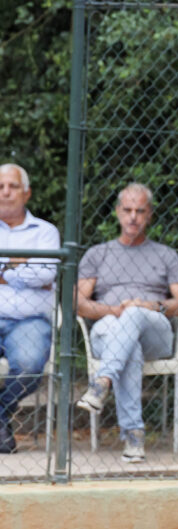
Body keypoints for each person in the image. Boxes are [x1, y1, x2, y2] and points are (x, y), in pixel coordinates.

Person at [76, 182, 178, 462]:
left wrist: (149, 305)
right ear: (117, 212)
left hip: (154, 328)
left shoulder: (165, 255)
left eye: (139, 211)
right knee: (130, 346)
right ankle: (134, 437)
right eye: (127, 210)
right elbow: (78, 303)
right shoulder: (98, 254)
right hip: (108, 328)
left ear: (149, 214)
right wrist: (114, 311)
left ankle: (102, 382)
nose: (133, 217)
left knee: (134, 314)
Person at [0, 163, 61, 454]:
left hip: (30, 321)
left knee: (28, 367)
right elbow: (35, 276)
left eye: (12, 186)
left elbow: (45, 275)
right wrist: (21, 263)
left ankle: (0, 411)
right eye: (0, 187)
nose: (5, 192)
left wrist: (4, 271)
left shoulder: (45, 233)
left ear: (27, 193)